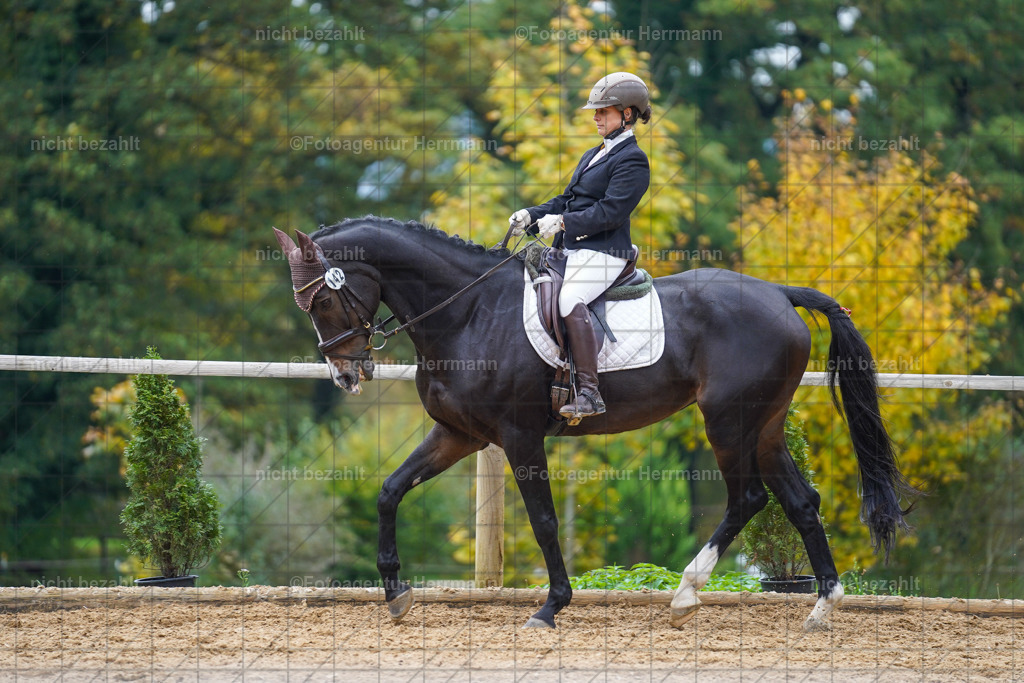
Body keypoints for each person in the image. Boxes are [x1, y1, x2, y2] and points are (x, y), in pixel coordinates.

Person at [509, 72, 652, 420]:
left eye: (603, 111)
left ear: (627, 114)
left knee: (570, 298)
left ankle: (589, 392)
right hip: (572, 250)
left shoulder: (633, 160)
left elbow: (611, 211)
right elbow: (567, 199)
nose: (596, 117)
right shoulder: (594, 153)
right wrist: (532, 214)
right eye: (596, 111)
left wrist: (562, 223)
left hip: (607, 253)